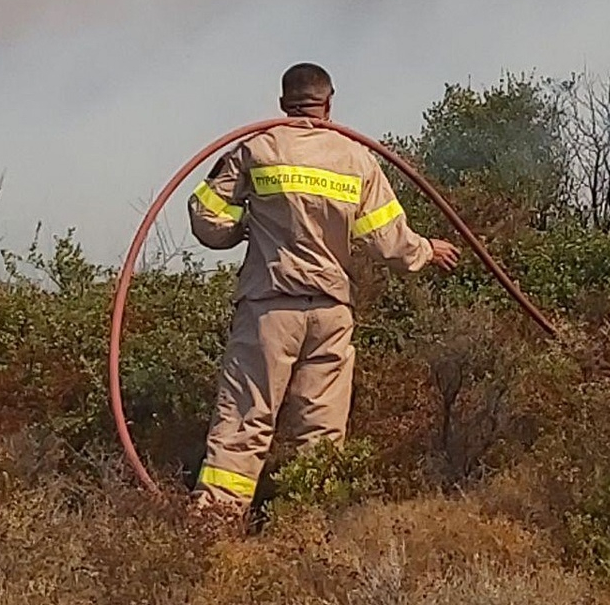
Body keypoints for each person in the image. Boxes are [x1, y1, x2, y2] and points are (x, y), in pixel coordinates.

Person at [186, 63, 461, 517]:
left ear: (282, 103)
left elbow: (207, 219)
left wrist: (244, 229)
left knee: (244, 422)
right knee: (321, 431)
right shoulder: (356, 158)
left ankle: (215, 525)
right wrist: (427, 251)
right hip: (332, 314)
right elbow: (388, 238)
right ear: (329, 103)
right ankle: (310, 528)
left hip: (269, 312)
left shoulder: (256, 148)